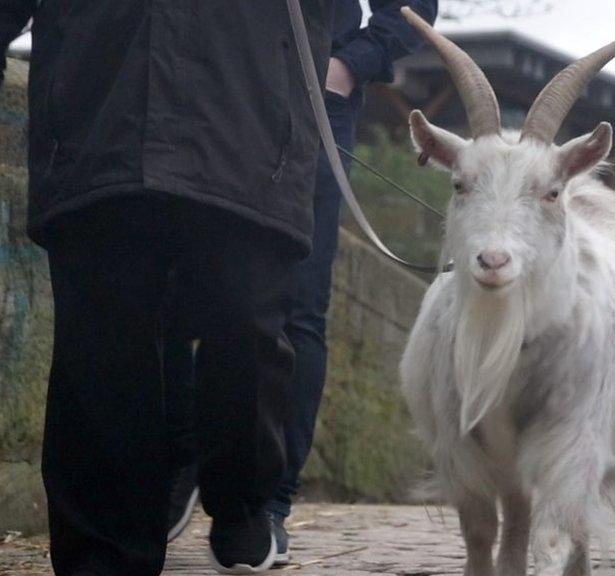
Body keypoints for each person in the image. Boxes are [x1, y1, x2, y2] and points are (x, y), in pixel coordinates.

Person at [0, 2, 335, 575]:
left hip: (250, 121)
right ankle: (103, 561)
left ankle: (242, 497)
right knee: (101, 357)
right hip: (99, 114)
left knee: (246, 327)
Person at [162, 0, 439, 566]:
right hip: (197, 86)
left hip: (308, 100)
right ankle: (181, 460)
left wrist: (348, 65)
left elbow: (410, 8)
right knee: (173, 285)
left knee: (295, 304)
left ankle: (270, 502)